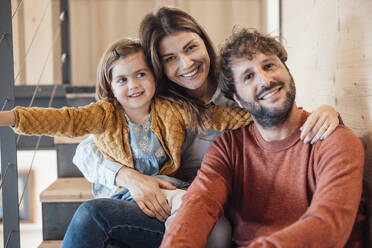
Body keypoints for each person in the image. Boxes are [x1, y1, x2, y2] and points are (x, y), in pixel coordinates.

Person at [67, 7, 341, 248]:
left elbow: (276, 111)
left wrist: (327, 112)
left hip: (210, 209)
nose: (186, 64)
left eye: (190, 48)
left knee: (93, 218)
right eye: (169, 58)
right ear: (158, 66)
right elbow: (86, 149)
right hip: (162, 201)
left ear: (204, 43)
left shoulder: (234, 87)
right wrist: (130, 178)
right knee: (99, 227)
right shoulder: (157, 99)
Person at [0, 37, 252, 230]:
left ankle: (182, 223)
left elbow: (214, 117)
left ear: (154, 76)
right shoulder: (104, 113)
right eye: (122, 80)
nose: (134, 85)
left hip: (166, 187)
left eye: (141, 74)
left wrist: (257, 114)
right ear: (109, 85)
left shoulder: (172, 110)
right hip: (121, 196)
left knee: (180, 194)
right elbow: (64, 120)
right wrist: (11, 117)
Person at [160, 29, 364, 248]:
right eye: (248, 77)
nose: (266, 80)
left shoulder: (335, 141)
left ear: (286, 69)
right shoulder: (228, 149)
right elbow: (200, 204)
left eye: (269, 65)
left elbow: (328, 226)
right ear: (237, 98)